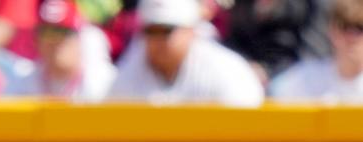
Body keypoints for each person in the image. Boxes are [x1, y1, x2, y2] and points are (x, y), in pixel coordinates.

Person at [106, 0, 264, 105]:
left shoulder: (227, 72)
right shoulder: (129, 72)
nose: (158, 39)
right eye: (151, 31)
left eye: (167, 30)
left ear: (191, 31)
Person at [5, 0, 116, 99]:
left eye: (63, 32)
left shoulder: (104, 83)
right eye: (47, 32)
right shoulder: (22, 83)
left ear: (79, 37)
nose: (55, 41)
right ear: (37, 40)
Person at [268, 0, 363, 101]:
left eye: (360, 28)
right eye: (346, 27)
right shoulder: (306, 78)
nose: (352, 37)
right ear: (332, 30)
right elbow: (273, 94)